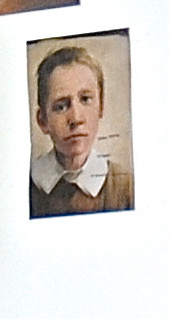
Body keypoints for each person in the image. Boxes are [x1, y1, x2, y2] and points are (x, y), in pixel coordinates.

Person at [28, 43, 132, 217]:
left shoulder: (125, 186)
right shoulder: (30, 183)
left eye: (85, 99)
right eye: (61, 106)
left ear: (100, 107)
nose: (76, 118)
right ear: (43, 120)